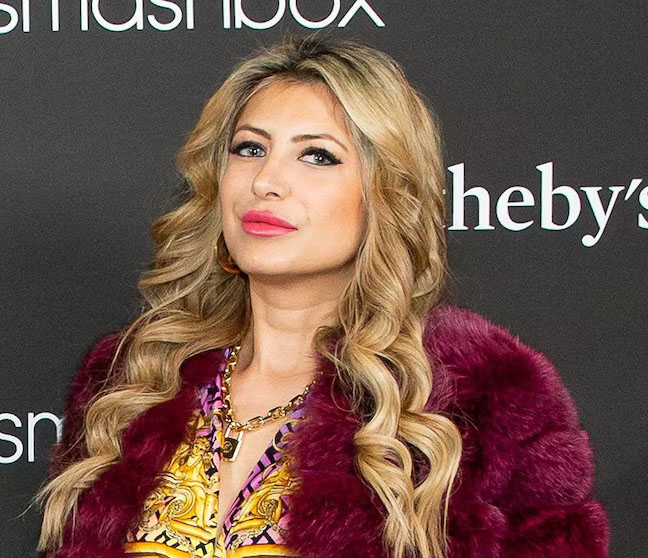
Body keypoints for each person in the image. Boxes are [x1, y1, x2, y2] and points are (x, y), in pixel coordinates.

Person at [37, 34, 609, 558]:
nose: (267, 181)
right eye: (249, 149)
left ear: (385, 191)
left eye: (317, 156)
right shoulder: (133, 380)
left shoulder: (479, 398)